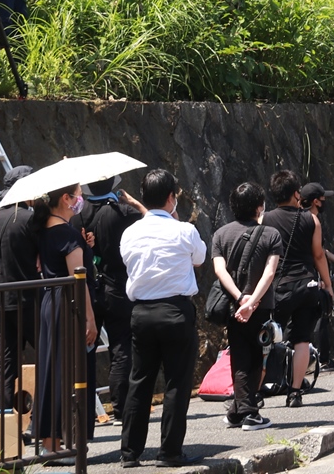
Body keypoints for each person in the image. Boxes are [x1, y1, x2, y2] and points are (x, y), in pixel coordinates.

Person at [119, 169, 206, 468]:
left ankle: (130, 453)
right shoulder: (184, 231)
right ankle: (169, 452)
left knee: (139, 381)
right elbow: (199, 258)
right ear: (171, 198)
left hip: (141, 313)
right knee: (176, 383)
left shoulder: (129, 233)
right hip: (175, 312)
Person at [72, 176, 145, 424]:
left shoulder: (81, 214)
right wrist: (135, 203)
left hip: (90, 286)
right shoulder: (123, 212)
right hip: (119, 287)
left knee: (85, 346)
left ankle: (82, 409)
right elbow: (154, 223)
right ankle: (121, 408)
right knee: (121, 347)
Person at [32, 184, 99, 454]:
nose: (80, 200)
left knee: (51, 369)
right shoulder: (67, 234)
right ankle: (61, 444)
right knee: (67, 371)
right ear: (65, 198)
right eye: (77, 195)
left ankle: (52, 443)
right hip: (68, 303)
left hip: (50, 300)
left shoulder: (44, 229)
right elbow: (79, 279)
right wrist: (90, 319)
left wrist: (84, 243)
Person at [211, 183, 281, 431]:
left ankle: (236, 412)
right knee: (257, 359)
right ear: (259, 207)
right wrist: (252, 302)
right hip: (260, 307)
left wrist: (241, 298)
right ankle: (249, 413)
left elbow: (220, 271)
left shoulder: (220, 234)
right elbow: (269, 272)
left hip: (234, 307)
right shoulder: (271, 234)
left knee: (240, 358)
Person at [260, 171, 333, 407]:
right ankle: (294, 393)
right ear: (295, 194)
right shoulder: (312, 220)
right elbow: (318, 255)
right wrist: (328, 286)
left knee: (267, 338)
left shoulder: (265, 219)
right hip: (307, 286)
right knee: (301, 340)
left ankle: (258, 391)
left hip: (278, 288)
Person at [0, 165, 38, 411]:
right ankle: (49, 422)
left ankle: (3, 426)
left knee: (6, 363)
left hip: (0, 301)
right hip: (28, 300)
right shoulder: (29, 218)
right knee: (53, 354)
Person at [301, 182, 334, 369]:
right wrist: (326, 282)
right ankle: (322, 359)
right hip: (313, 277)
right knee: (322, 316)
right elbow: (318, 254)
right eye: (322, 199)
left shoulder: (299, 219)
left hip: (301, 278)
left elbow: (321, 249)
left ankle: (313, 359)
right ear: (315, 201)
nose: (324, 202)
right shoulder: (312, 221)